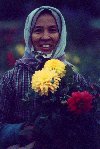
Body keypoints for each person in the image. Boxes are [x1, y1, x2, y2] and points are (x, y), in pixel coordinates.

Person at [0, 6, 99, 149]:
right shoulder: (11, 78)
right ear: (29, 34)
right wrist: (19, 131)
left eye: (52, 30)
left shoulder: (74, 78)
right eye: (38, 30)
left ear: (61, 34)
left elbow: (90, 129)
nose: (45, 37)